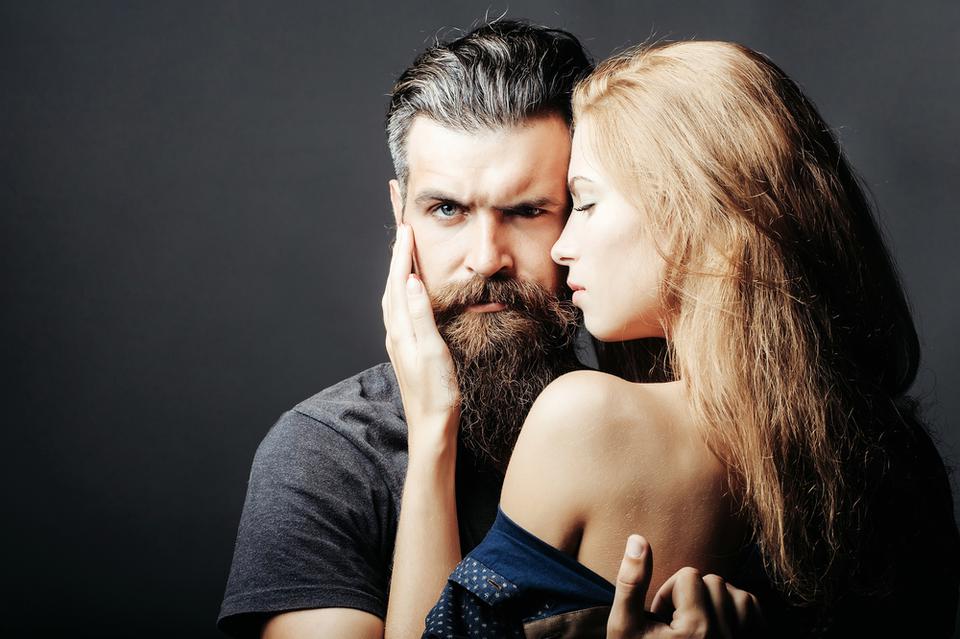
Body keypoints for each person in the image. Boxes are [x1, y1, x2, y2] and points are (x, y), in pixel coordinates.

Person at [383, 40, 960, 638]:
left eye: (583, 203)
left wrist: (431, 433)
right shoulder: (901, 455)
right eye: (448, 209)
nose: (562, 247)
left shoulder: (590, 419)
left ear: (690, 215)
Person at [218, 21, 760, 639]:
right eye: (446, 209)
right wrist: (433, 438)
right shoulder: (324, 455)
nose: (485, 258)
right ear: (400, 213)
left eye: (528, 211)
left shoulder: (669, 428)